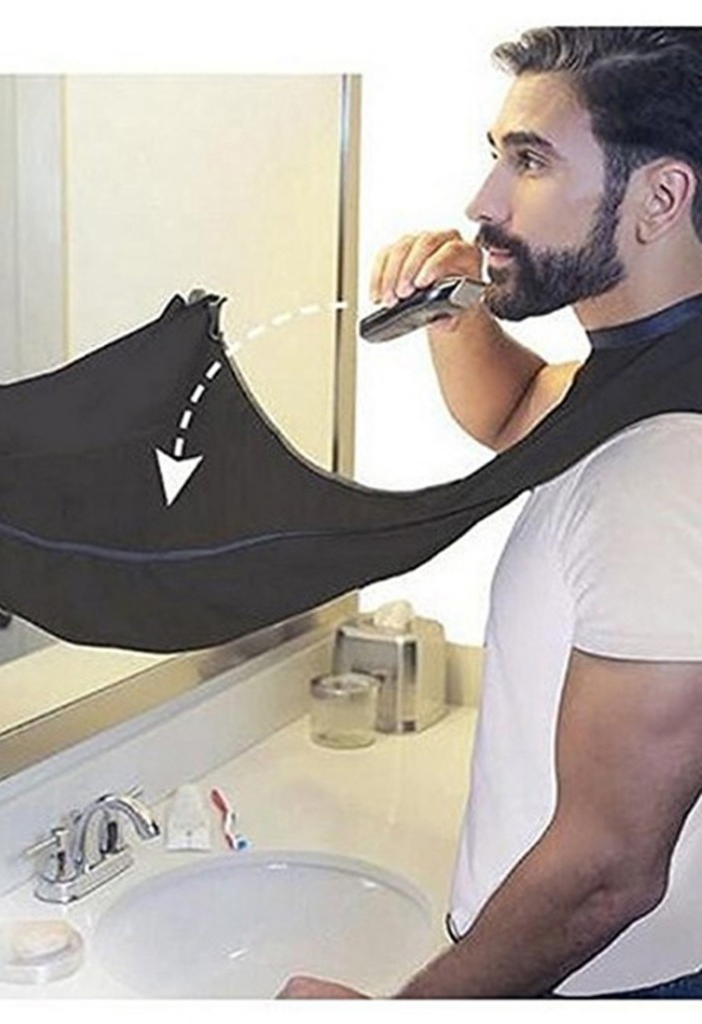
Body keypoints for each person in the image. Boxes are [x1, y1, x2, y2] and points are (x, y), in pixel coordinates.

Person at [281, 27, 702, 999]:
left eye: (530, 161)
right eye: (496, 156)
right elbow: (519, 415)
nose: (482, 201)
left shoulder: (668, 461)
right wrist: (456, 311)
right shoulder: (640, 374)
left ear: (661, 197)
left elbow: (608, 869)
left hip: (603, 984)